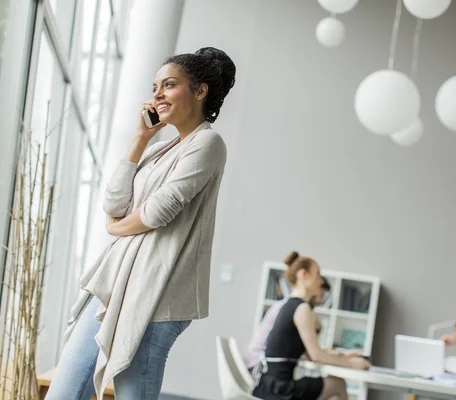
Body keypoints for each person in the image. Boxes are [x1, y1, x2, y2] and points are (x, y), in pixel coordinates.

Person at [46, 47, 236, 400]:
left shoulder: (208, 143)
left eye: (168, 85)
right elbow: (114, 201)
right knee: (63, 392)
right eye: (154, 88)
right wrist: (141, 138)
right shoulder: (158, 149)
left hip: (157, 295)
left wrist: (117, 228)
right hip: (113, 286)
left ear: (199, 91)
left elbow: (157, 212)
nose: (157, 95)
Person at [252, 251, 371, 400]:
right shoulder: (302, 309)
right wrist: (352, 364)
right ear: (304, 275)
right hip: (279, 390)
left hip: (268, 386)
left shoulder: (290, 305)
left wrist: (344, 356)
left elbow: (311, 353)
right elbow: (316, 356)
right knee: (338, 384)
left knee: (334, 383)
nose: (321, 280)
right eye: (317, 274)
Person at [243, 275, 331, 371]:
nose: (321, 301)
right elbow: (311, 354)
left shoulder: (284, 304)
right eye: (321, 295)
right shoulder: (298, 310)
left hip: (253, 363)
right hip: (260, 367)